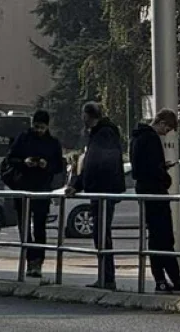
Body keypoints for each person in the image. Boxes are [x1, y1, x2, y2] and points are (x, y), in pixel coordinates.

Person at [130, 109, 180, 295]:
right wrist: (165, 175)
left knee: (155, 238)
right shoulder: (151, 138)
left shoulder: (137, 137)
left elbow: (141, 167)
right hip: (155, 191)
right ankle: (175, 280)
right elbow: (152, 169)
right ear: (161, 123)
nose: (165, 133)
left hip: (144, 190)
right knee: (165, 238)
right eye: (167, 129)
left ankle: (162, 279)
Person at [66, 102, 125, 290]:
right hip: (101, 189)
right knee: (100, 234)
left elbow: (96, 164)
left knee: (102, 235)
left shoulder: (103, 133)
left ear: (88, 115)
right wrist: (78, 184)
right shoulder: (102, 132)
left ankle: (107, 278)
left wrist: (78, 184)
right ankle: (105, 277)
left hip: (103, 191)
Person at [5, 109, 64, 279]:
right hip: (22, 186)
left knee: (39, 227)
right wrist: (25, 162)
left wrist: (47, 165)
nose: (39, 130)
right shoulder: (23, 138)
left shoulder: (52, 143)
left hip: (42, 188)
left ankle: (38, 261)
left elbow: (59, 166)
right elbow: (10, 158)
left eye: (42, 128)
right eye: (36, 127)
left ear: (47, 126)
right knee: (24, 227)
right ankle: (29, 259)